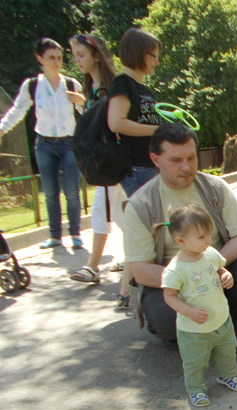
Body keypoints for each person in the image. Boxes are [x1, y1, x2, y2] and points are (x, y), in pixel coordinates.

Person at [123, 123, 237, 357]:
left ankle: (232, 331)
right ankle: (180, 333)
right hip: (173, 283)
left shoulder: (215, 188)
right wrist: (189, 276)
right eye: (176, 160)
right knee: (164, 317)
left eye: (191, 158)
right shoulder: (140, 205)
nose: (186, 167)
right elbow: (141, 270)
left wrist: (210, 267)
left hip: (217, 271)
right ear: (155, 159)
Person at [0, 38, 83, 249]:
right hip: (44, 144)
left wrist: (82, 102)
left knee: (72, 191)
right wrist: (2, 129)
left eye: (59, 58)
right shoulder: (32, 85)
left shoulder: (72, 84)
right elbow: (17, 111)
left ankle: (75, 233)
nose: (56, 62)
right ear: (40, 59)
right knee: (50, 192)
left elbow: (89, 113)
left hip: (69, 143)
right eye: (51, 57)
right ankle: (55, 236)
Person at [158, 204, 237, 407]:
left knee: (227, 351)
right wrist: (188, 311)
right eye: (201, 237)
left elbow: (220, 268)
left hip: (221, 320)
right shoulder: (175, 270)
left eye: (208, 235)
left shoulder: (210, 253)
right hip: (193, 330)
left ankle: (227, 375)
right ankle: (196, 388)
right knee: (195, 361)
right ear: (181, 241)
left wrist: (226, 274)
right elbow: (169, 296)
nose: (208, 240)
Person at [107, 27, 163, 309]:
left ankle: (128, 290)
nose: (156, 61)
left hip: (150, 165)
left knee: (147, 228)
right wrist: (157, 130)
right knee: (145, 229)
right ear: (140, 54)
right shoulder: (122, 84)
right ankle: (130, 290)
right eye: (153, 55)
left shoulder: (144, 89)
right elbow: (116, 122)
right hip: (136, 167)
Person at [67, 33, 127, 285]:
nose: (77, 60)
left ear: (96, 55)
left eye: (81, 55)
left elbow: (112, 123)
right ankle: (133, 258)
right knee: (121, 213)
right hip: (105, 160)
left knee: (104, 210)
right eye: (75, 55)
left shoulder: (112, 87)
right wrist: (83, 105)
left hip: (113, 160)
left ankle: (92, 266)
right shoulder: (92, 87)